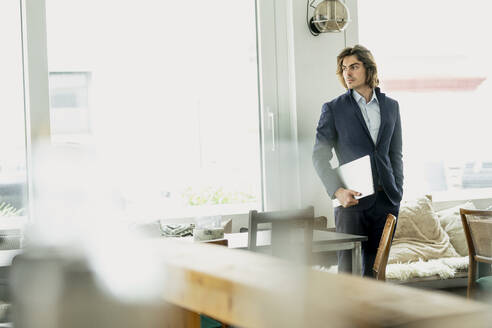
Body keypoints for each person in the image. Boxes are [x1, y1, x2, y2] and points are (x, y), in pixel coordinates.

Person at [312, 45, 403, 277]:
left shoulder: (391, 107)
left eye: (354, 67)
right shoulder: (333, 109)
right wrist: (337, 191)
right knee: (349, 275)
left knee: (376, 275)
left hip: (386, 201)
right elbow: (319, 155)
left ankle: (375, 315)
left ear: (368, 69)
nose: (347, 73)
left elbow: (395, 154)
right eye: (344, 69)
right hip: (351, 203)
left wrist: (397, 190)